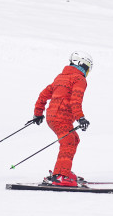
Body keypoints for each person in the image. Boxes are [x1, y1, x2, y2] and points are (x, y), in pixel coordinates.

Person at [30, 52, 93, 187]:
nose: (87, 73)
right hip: (61, 117)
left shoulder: (61, 77)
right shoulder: (79, 79)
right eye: (88, 69)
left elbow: (43, 95)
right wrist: (80, 118)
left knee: (73, 139)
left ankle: (63, 171)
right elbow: (75, 100)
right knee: (69, 141)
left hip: (52, 117)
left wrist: (38, 114)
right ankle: (60, 176)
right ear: (83, 65)